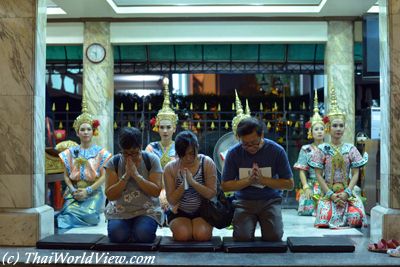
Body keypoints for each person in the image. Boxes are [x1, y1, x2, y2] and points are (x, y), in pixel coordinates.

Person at [221, 117, 294, 241]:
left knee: (274, 236)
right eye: (245, 144)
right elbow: (225, 186)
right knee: (241, 237)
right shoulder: (234, 153)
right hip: (244, 201)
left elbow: (289, 184)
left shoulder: (276, 151)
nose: (250, 147)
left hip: (270, 200)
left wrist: (263, 180)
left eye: (255, 143)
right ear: (239, 139)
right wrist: (248, 180)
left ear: (262, 136)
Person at [309, 85, 368, 229]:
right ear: (329, 128)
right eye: (335, 126)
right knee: (324, 219)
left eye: (341, 126)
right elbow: (318, 174)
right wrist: (330, 195)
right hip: (328, 193)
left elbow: (356, 173)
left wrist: (347, 193)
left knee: (356, 218)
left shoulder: (351, 149)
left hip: (347, 193)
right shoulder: (322, 149)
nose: (339, 129)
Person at [56, 97, 111, 229]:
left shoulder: (101, 153)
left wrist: (88, 190)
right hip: (74, 192)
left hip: (93, 192)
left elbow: (104, 176)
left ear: (93, 132)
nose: (85, 132)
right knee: (66, 213)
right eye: (82, 129)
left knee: (90, 216)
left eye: (88, 129)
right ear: (77, 132)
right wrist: (72, 189)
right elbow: (66, 176)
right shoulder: (70, 152)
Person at [104, 127, 163, 243]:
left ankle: (135, 231)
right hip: (120, 210)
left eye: (135, 153)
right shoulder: (114, 162)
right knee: (117, 235)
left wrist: (136, 176)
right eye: (126, 154)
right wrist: (125, 177)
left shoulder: (151, 160)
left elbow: (156, 192)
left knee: (144, 235)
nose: (130, 158)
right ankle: (130, 232)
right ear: (121, 150)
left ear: (141, 147)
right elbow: (110, 195)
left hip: (146, 210)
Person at [164, 131, 217, 241]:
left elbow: (211, 193)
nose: (188, 158)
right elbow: (172, 200)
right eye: (183, 155)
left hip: (203, 210)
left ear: (197, 148)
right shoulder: (171, 168)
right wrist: (184, 184)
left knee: (202, 235)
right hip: (179, 211)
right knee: (182, 235)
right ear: (178, 153)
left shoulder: (206, 162)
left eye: (192, 153)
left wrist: (193, 182)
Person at [146, 77, 178, 211]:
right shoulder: (150, 148)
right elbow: (145, 173)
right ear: (157, 128)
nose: (165, 131)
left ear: (174, 128)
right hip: (154, 188)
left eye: (168, 127)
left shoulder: (179, 147)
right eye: (162, 127)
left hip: (176, 189)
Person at [293, 90, 326, 216]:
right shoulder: (306, 148)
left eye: (321, 129)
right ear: (311, 132)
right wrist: (306, 186)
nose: (319, 132)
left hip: (327, 184)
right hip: (312, 184)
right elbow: (302, 170)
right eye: (316, 129)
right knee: (307, 205)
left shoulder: (329, 148)